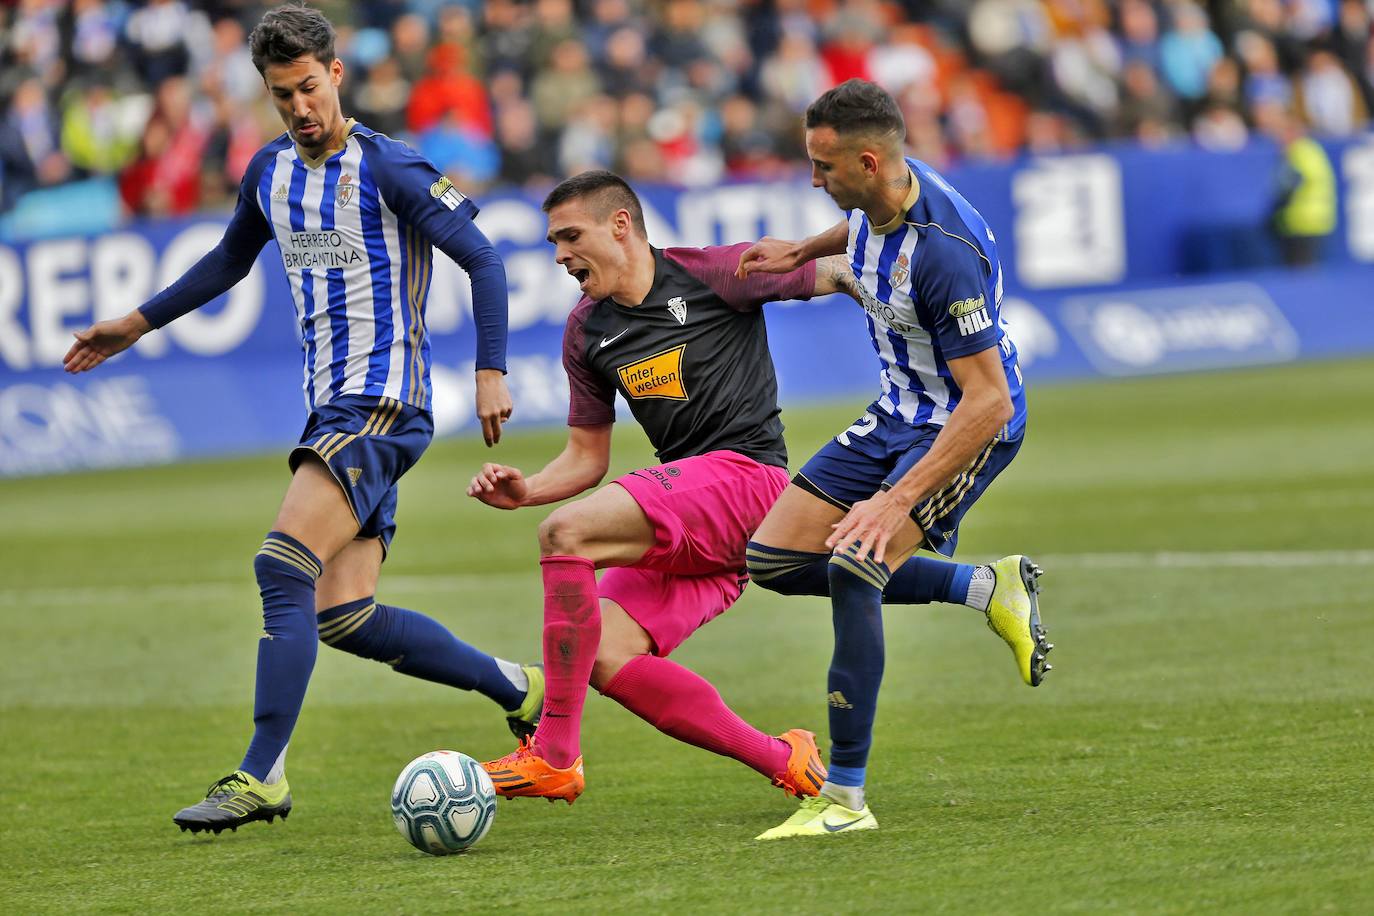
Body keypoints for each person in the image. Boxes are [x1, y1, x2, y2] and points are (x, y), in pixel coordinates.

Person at [62, 4, 543, 836]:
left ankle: (261, 777)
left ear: (337, 76)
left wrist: (491, 369)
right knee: (342, 614)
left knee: (280, 565)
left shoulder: (391, 168)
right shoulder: (268, 173)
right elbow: (224, 262)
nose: (300, 108)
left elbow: (485, 257)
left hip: (384, 403)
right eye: (282, 95)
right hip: (332, 407)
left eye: (310, 88)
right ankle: (516, 685)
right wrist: (134, 324)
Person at [467, 170, 859, 804]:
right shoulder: (586, 332)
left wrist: (893, 305)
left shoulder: (713, 272)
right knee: (602, 653)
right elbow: (586, 457)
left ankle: (555, 755)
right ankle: (788, 761)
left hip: (749, 482)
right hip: (691, 516)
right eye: (553, 243)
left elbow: (837, 273)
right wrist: (529, 489)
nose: (560, 255)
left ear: (620, 225)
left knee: (566, 534)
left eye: (571, 237)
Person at [734, 79, 1052, 839]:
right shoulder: (878, 198)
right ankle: (986, 586)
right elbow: (858, 231)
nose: (815, 179)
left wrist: (891, 502)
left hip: (963, 428)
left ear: (870, 161)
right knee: (773, 559)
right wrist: (802, 250)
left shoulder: (946, 255)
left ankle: (844, 800)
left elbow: (989, 403)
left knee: (855, 566)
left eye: (824, 167)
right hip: (896, 412)